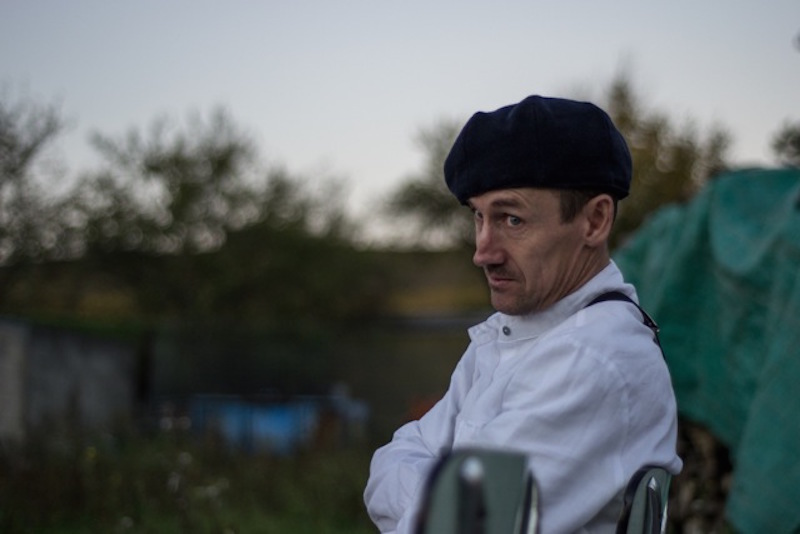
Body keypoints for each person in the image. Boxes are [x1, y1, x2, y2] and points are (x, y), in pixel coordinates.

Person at [364, 95, 682, 534]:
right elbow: (386, 466)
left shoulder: (591, 358)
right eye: (479, 217)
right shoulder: (511, 337)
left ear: (595, 221)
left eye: (512, 220)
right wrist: (433, 498)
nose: (483, 252)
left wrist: (432, 494)